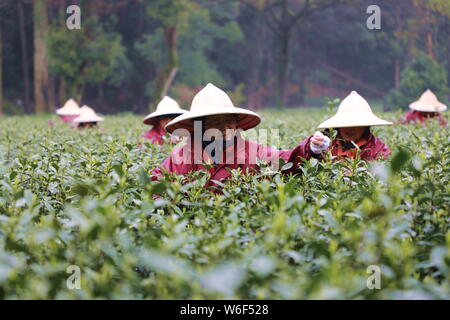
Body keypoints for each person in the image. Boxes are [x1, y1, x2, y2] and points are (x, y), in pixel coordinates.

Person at [151, 83, 310, 190]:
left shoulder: (252, 152)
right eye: (216, 123)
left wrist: (311, 147)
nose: (225, 128)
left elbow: (285, 160)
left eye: (229, 121)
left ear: (236, 123)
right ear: (201, 126)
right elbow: (157, 184)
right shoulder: (181, 156)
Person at [286, 91, 392, 171]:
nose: (350, 129)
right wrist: (312, 149)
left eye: (357, 124)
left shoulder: (379, 150)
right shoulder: (325, 142)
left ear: (366, 126)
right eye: (346, 123)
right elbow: (291, 164)